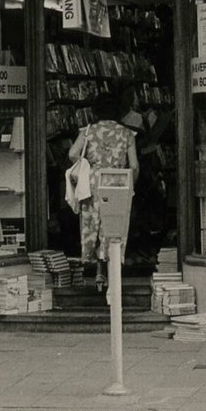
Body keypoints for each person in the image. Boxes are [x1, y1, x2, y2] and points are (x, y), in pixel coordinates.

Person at [67, 92, 138, 292]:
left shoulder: (88, 130)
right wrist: (131, 186)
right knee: (114, 227)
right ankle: (112, 273)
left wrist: (87, 166)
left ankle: (98, 271)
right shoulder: (127, 133)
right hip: (117, 183)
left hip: (92, 184)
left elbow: (72, 153)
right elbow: (134, 166)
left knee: (93, 225)